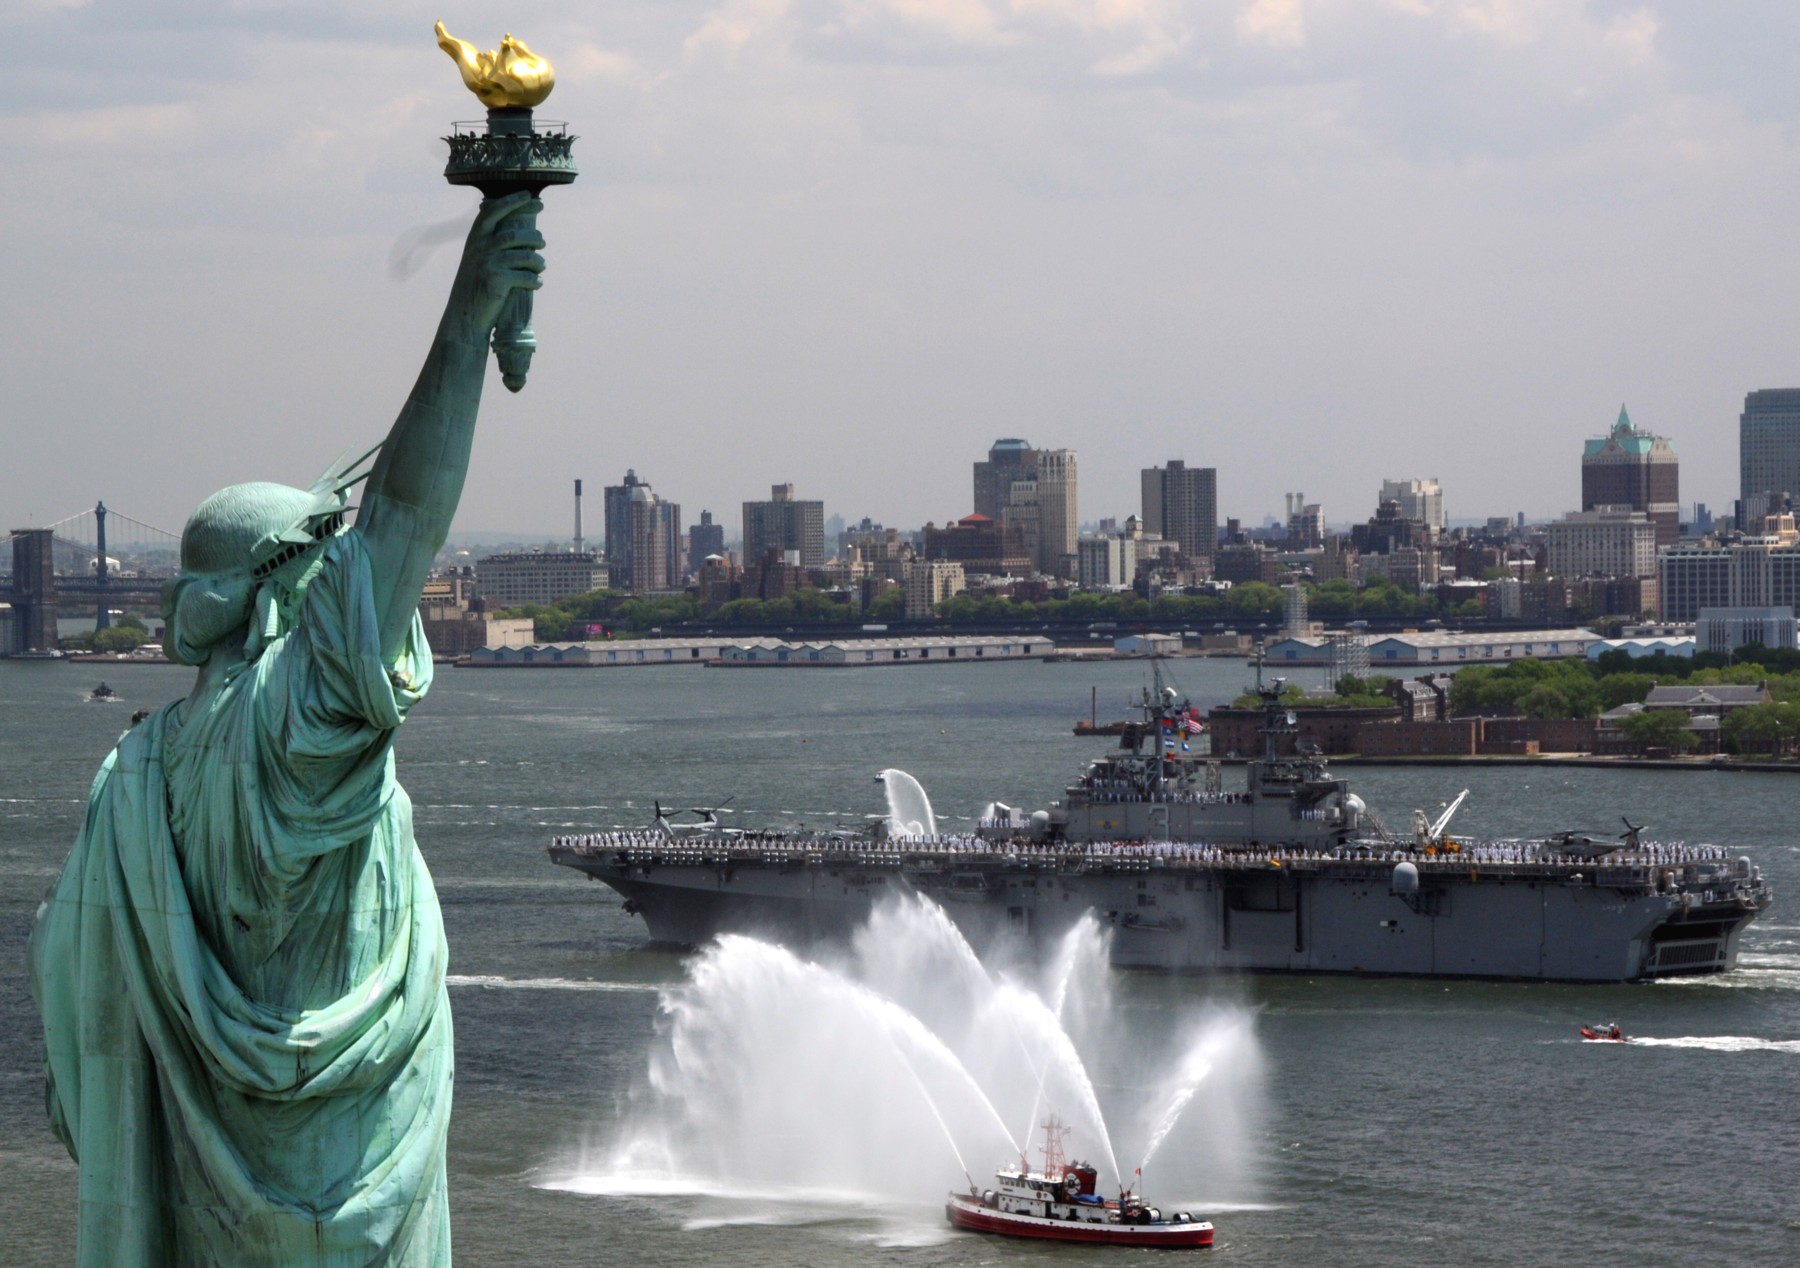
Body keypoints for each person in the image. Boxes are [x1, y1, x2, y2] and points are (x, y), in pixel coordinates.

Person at [28, 193, 545, 1266]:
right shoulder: (288, 729)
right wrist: (469, 307)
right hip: (351, 1187)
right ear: (280, 592)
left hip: (202, 1212)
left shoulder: (138, 772)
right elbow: (401, 520)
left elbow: (63, 995)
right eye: (324, 558)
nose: (352, 585)